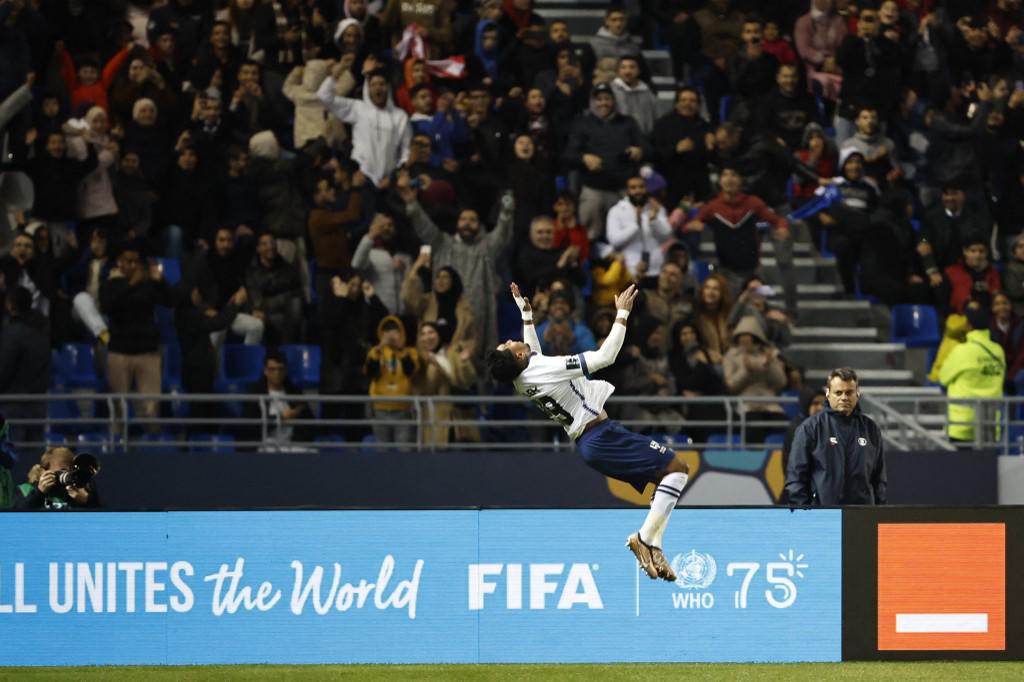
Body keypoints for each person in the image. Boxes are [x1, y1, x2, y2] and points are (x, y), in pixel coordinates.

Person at [486, 282, 690, 582]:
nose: (508, 339)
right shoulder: (542, 369)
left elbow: (535, 357)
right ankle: (644, 539)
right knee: (678, 469)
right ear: (516, 357)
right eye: (507, 345)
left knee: (668, 478)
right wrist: (621, 315)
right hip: (601, 436)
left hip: (593, 441)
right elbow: (604, 357)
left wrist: (527, 316)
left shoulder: (523, 377)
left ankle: (654, 545)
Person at [784, 367, 887, 505]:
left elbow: (879, 478)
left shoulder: (871, 429)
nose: (844, 397)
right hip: (822, 516)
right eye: (838, 393)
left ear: (857, 393)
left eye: (849, 392)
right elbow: (796, 476)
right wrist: (805, 512)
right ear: (828, 394)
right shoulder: (810, 428)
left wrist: (879, 510)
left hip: (863, 516)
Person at [939, 303, 1006, 445]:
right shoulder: (998, 350)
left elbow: (943, 377)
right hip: (990, 424)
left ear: (969, 326)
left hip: (962, 425)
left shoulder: (962, 351)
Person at [0, 287, 51, 447]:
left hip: (13, 406)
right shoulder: (42, 334)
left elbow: (3, 371)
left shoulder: (10, 335)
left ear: (9, 305)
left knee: (14, 458)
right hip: (38, 405)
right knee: (35, 462)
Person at [242, 351, 314, 452]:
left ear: (285, 371)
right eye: (272, 369)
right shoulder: (255, 394)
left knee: (312, 453)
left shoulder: (295, 392)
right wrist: (281, 418)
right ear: (265, 371)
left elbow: (309, 423)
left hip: (292, 445)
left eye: (280, 369)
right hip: (265, 445)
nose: (277, 373)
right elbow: (251, 428)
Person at [15, 446, 99, 510]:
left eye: (67, 473)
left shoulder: (79, 491)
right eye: (59, 473)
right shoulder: (26, 489)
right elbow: (16, 518)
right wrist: (39, 493)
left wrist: (87, 501)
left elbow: (101, 522)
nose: (64, 476)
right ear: (44, 471)